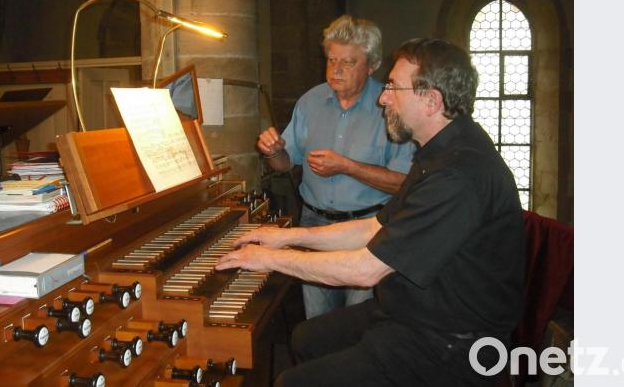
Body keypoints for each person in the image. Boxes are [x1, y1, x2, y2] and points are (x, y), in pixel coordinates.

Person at [218, 38, 526, 386]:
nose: (383, 97)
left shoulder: (458, 175)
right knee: (306, 338)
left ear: (432, 100)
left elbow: (366, 270)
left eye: (394, 86)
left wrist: (271, 259)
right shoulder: (438, 152)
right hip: (414, 312)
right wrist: (288, 236)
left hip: (451, 342)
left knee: (291, 383)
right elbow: (374, 227)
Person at [257, 14, 415, 318]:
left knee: (356, 327)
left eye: (348, 62)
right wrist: (272, 151)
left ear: (371, 66)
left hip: (368, 230)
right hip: (314, 224)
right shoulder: (310, 102)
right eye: (331, 60)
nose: (336, 70)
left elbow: (403, 184)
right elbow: (284, 164)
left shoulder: (391, 106)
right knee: (317, 325)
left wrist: (347, 166)